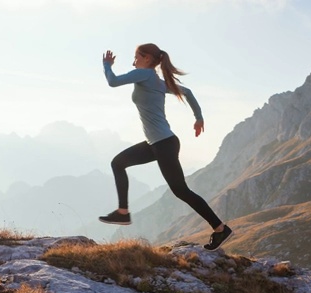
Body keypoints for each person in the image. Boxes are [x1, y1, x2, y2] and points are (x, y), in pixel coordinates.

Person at [98, 43, 232, 251]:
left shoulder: (144, 75)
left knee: (181, 190)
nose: (133, 60)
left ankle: (220, 228)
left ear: (147, 59)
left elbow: (113, 82)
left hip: (164, 144)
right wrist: (198, 118)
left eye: (136, 56)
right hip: (157, 143)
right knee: (118, 163)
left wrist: (107, 65)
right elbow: (187, 92)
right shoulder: (157, 82)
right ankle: (123, 213)